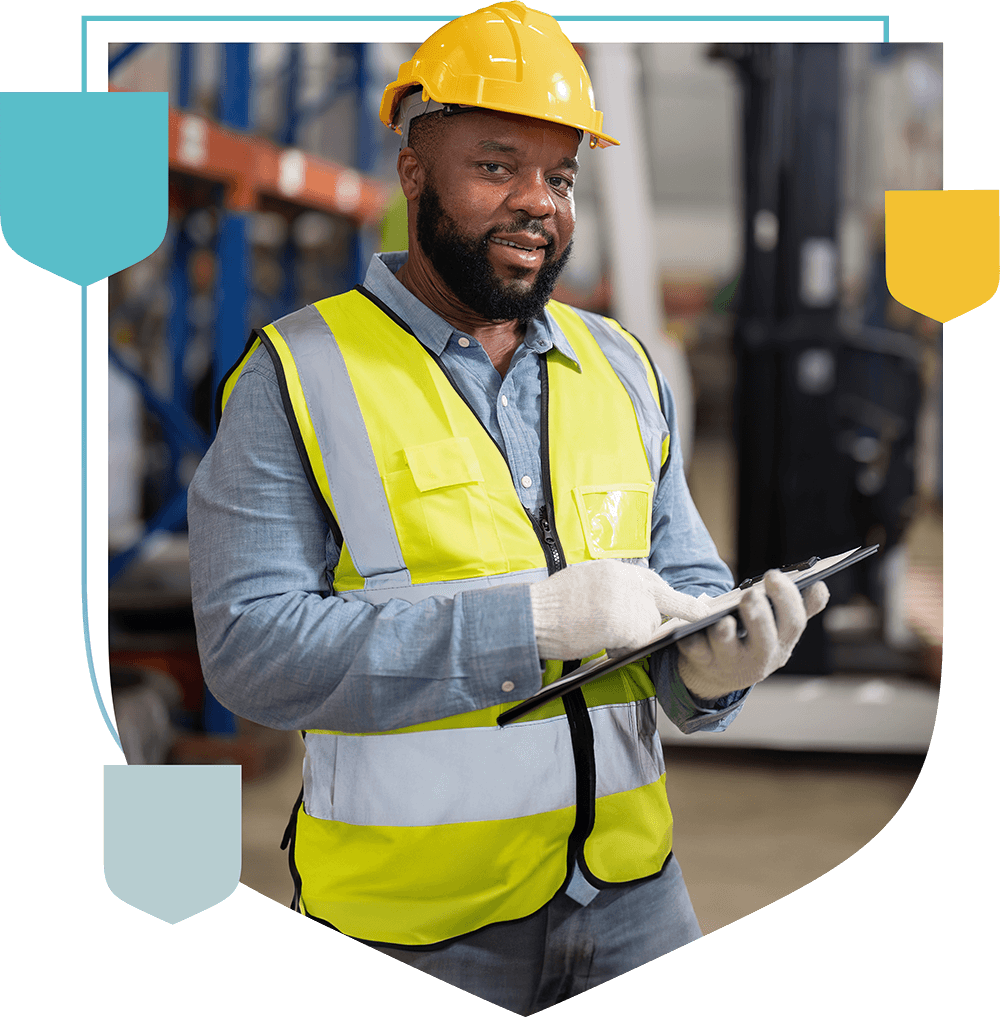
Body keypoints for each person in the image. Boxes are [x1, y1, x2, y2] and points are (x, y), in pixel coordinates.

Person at [187, 4, 829, 1011]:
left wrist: (713, 667)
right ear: (413, 175)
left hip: (632, 893)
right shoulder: (296, 375)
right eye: (496, 168)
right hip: (414, 920)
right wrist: (529, 625)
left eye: (561, 177)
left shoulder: (620, 364)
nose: (539, 202)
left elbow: (687, 576)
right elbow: (250, 653)